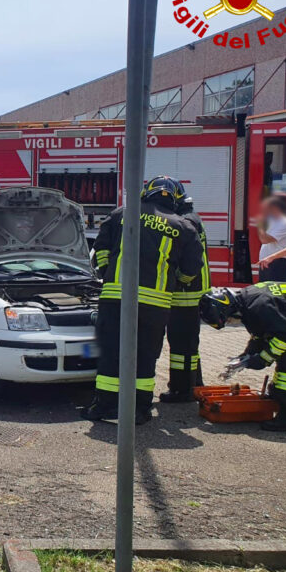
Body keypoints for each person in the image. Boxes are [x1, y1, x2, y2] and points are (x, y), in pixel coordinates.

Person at [82, 176, 203, 425]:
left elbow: (100, 249)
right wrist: (177, 281)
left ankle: (104, 406)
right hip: (155, 305)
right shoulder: (183, 226)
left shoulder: (120, 215)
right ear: (176, 199)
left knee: (110, 352)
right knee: (145, 357)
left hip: (116, 298)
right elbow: (193, 268)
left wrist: (107, 272)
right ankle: (140, 410)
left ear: (145, 193)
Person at [200, 283, 286, 432]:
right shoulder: (246, 303)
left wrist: (263, 358)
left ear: (228, 309)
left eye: (227, 320)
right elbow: (261, 333)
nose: (230, 322)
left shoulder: (259, 307)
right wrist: (247, 355)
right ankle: (280, 397)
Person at [160, 195, 211, 403]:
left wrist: (178, 280)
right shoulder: (193, 218)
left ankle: (182, 390)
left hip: (185, 295)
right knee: (189, 345)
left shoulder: (186, 222)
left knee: (181, 346)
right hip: (193, 294)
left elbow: (188, 261)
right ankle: (194, 384)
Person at [256, 195, 286, 282]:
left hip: (276, 264)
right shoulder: (274, 222)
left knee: (274, 289)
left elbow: (265, 239)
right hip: (267, 263)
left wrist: (260, 225)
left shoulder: (285, 224)